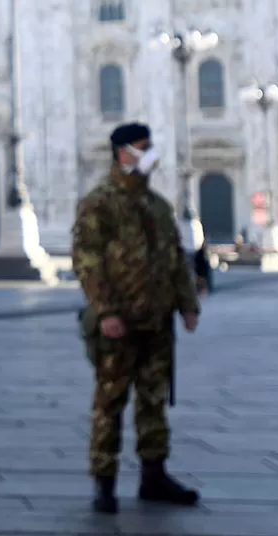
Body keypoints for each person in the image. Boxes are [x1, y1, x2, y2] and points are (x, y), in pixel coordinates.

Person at [72, 123, 201, 515]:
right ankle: (104, 483)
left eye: (150, 147)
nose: (150, 155)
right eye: (143, 148)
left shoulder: (158, 206)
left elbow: (175, 259)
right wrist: (107, 311)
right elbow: (87, 261)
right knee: (109, 404)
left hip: (157, 323)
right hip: (119, 324)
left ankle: (153, 475)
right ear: (122, 153)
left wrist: (187, 303)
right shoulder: (100, 203)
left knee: (153, 402)